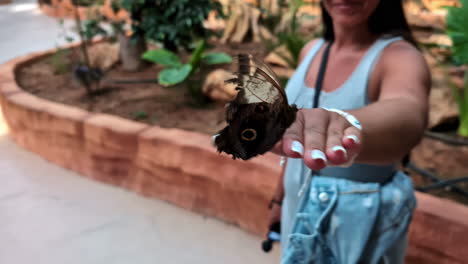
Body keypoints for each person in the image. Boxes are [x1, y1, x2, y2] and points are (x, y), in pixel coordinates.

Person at [268, 0, 431, 263]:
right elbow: (297, 140)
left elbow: (408, 112)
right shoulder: (311, 50)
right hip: (298, 220)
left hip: (356, 237)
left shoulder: (399, 57)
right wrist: (278, 200)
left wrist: (343, 123)